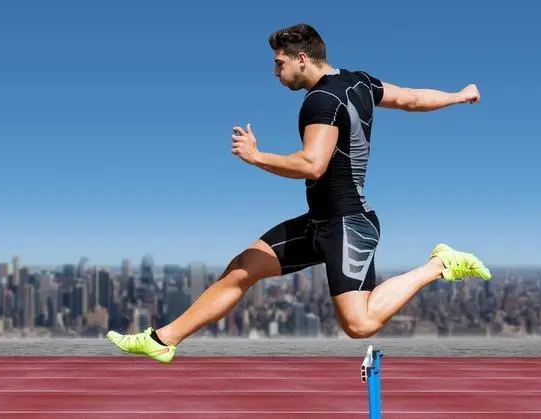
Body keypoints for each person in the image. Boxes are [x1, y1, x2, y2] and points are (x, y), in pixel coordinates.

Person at [106, 23, 491, 363]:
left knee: (360, 324)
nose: (275, 72)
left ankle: (439, 264)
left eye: (279, 64)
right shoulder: (360, 82)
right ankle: (162, 340)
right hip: (320, 221)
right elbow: (409, 97)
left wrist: (256, 157)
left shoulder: (320, 101)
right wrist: (458, 95)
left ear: (302, 58)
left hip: (348, 224)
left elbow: (312, 165)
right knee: (244, 267)